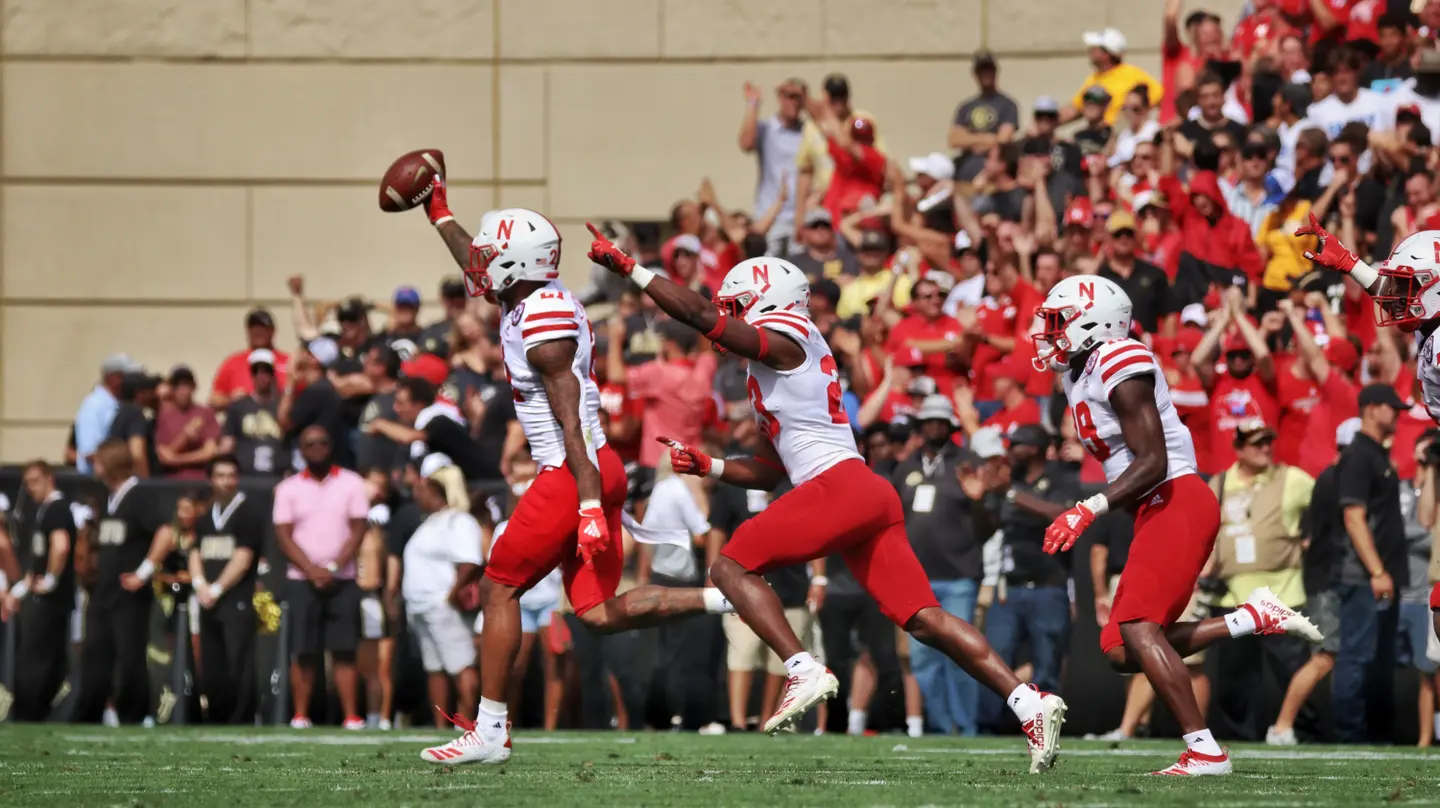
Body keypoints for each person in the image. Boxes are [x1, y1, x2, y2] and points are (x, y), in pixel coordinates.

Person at [588, 230, 1066, 773]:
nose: (729, 317)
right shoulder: (773, 363)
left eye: (737, 306)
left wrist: (632, 270)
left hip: (840, 487)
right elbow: (772, 469)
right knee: (924, 619)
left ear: (766, 301)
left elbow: (700, 316)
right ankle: (1030, 702)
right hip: (860, 491)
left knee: (728, 565)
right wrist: (712, 466)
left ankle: (802, 667)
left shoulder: (790, 333)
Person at [409, 184, 734, 765]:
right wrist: (440, 212)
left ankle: (490, 731)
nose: (479, 261)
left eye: (491, 253)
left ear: (515, 263)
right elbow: (476, 263)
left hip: (571, 468)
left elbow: (569, 419)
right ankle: (724, 598)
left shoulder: (543, 321)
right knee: (596, 611)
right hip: (595, 467)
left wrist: (586, 505)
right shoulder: (533, 299)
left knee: (498, 585)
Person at [1030, 275, 1322, 775]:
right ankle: (1250, 618)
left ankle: (1205, 749)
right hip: (1155, 506)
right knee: (1121, 649)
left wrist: (1086, 509)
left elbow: (1154, 462)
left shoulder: (1119, 358)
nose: (1048, 333)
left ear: (1093, 323)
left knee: (1141, 630)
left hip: (1177, 496)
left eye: (1058, 323)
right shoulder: (1077, 373)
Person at [1203, 420, 1316, 742]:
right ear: (1238, 448)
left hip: (1283, 593)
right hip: (1233, 596)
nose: (1266, 448)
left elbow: (1325, 505)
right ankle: (1240, 739)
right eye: (1257, 443)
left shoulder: (1291, 478)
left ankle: (1303, 731)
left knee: (1291, 672)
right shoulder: (1220, 483)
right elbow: (1207, 532)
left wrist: (1311, 540)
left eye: (1269, 442)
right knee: (1234, 680)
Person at [891, 395, 992, 736]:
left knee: (962, 655)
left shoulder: (969, 462)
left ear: (950, 426)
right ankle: (940, 726)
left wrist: (979, 501)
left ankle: (966, 727)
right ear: (920, 427)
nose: (934, 427)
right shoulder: (905, 468)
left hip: (959, 575)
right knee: (921, 660)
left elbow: (990, 526)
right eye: (928, 422)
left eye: (940, 421)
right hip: (915, 578)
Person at [982, 425, 1079, 731]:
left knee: (1047, 665)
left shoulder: (1061, 478)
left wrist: (1013, 495)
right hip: (1009, 587)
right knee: (995, 661)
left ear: (1035, 447)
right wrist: (980, 496)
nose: (1011, 452)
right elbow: (991, 524)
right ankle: (992, 728)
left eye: (1017, 446)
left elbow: (1062, 514)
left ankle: (1046, 728)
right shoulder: (1008, 480)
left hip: (1048, 587)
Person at [273, 425, 370, 730]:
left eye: (322, 442)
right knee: (303, 650)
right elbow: (284, 536)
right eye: (310, 444)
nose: (317, 448)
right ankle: (301, 715)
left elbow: (358, 529)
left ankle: (351, 715)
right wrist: (312, 570)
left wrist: (333, 567)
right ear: (301, 450)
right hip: (302, 580)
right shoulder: (287, 488)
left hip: (342, 579)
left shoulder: (352, 483)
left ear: (331, 446)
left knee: (344, 650)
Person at [74, 439, 172, 725]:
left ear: (112, 464)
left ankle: (135, 714)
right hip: (102, 592)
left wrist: (143, 572)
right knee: (94, 654)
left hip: (129, 595)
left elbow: (165, 532)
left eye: (99, 461)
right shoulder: (106, 498)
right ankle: (89, 714)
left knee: (130, 657)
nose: (95, 466)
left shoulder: (139, 495)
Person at [402, 454, 484, 729]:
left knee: (461, 666)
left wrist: (451, 594)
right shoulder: (430, 522)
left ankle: (466, 725)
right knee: (435, 669)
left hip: (442, 607)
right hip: (421, 608)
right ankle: (440, 726)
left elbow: (470, 561)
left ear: (438, 492)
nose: (417, 496)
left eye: (423, 490)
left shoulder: (458, 521)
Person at [187, 454, 263, 724]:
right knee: (212, 662)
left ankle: (241, 718)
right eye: (220, 475)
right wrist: (199, 585)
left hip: (235, 600)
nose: (226, 481)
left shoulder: (248, 513)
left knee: (238, 662)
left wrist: (217, 589)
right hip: (209, 601)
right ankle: (216, 716)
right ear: (210, 479)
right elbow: (195, 551)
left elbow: (243, 558)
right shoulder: (206, 516)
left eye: (231, 475)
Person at [2, 461, 77, 721]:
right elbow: (36, 564)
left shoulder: (56, 508)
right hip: (45, 597)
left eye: (35, 481)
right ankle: (37, 710)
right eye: (28, 482)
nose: (31, 488)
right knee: (45, 658)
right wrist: (20, 591)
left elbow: (61, 546)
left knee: (37, 658)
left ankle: (30, 712)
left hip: (51, 601)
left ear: (49, 478)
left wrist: (50, 581)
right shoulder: (44, 510)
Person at [219, 349, 284, 475]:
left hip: (277, 475)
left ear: (272, 374)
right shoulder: (238, 406)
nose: (261, 376)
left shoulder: (282, 407)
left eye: (266, 371)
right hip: (245, 475)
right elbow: (227, 443)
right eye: (256, 371)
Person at [210, 308, 289, 409]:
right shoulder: (233, 363)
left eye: (263, 327)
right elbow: (213, 400)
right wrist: (232, 400)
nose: (258, 331)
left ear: (273, 330)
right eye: (253, 327)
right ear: (247, 331)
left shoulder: (288, 362)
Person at [155, 365, 220, 479]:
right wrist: (184, 437)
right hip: (173, 480)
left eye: (186, 386)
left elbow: (210, 452)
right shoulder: (164, 416)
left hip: (201, 479)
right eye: (177, 386)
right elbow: (163, 456)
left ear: (194, 387)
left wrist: (177, 459)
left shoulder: (206, 413)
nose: (182, 391)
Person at [75, 354, 137, 474]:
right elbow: (90, 453)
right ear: (112, 378)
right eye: (126, 377)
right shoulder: (94, 406)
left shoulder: (118, 404)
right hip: (97, 483)